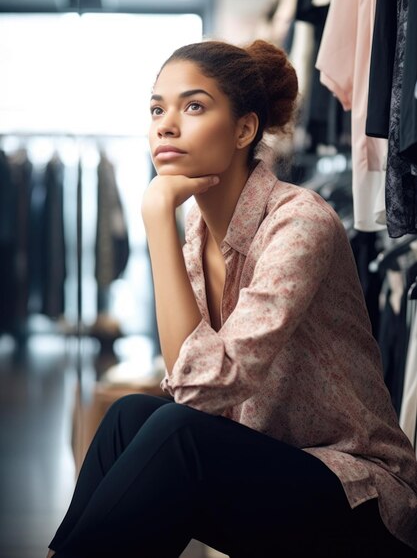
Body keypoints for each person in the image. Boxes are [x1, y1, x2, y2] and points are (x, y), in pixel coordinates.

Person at [46, 40, 417, 558]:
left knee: (178, 432)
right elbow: (186, 386)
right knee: (130, 416)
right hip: (274, 468)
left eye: (193, 106)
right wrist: (170, 226)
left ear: (245, 129)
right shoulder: (199, 226)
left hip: (358, 495)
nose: (165, 125)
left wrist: (156, 220)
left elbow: (202, 389)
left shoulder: (299, 220)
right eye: (157, 109)